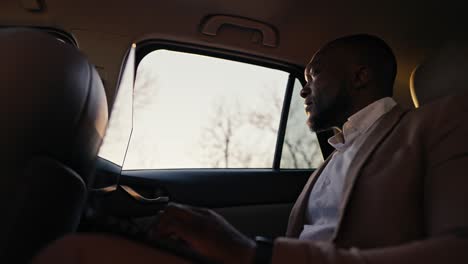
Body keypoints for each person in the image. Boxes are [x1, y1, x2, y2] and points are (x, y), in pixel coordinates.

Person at [33, 34, 468, 264]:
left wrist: (252, 253)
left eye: (313, 74)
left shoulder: (439, 122)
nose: (304, 90)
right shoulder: (335, 154)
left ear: (359, 76)